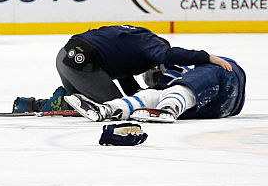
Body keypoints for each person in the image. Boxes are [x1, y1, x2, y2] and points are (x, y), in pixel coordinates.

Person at [55, 24, 234, 104]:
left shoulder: (135, 40)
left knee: (91, 100)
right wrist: (206, 57)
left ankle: (64, 98)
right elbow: (169, 55)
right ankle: (65, 101)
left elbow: (127, 83)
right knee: (116, 107)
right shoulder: (151, 43)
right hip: (82, 63)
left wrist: (143, 96)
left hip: (66, 56)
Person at [66, 57, 244, 124]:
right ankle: (108, 109)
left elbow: (189, 69)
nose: (158, 78)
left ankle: (168, 110)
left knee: (180, 89)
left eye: (157, 74)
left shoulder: (186, 69)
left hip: (227, 74)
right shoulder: (169, 85)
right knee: (154, 95)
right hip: (210, 107)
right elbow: (152, 94)